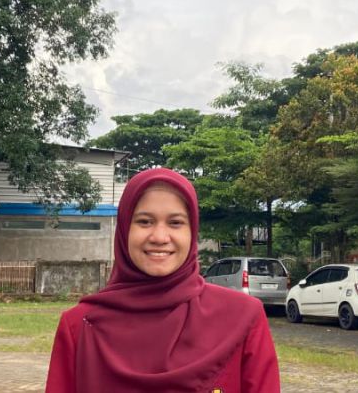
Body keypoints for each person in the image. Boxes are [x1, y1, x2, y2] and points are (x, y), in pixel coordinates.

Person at [45, 168, 280, 393]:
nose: (159, 237)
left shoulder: (242, 317)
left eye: (175, 223)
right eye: (144, 221)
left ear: (192, 231)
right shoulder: (81, 326)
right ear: (124, 229)